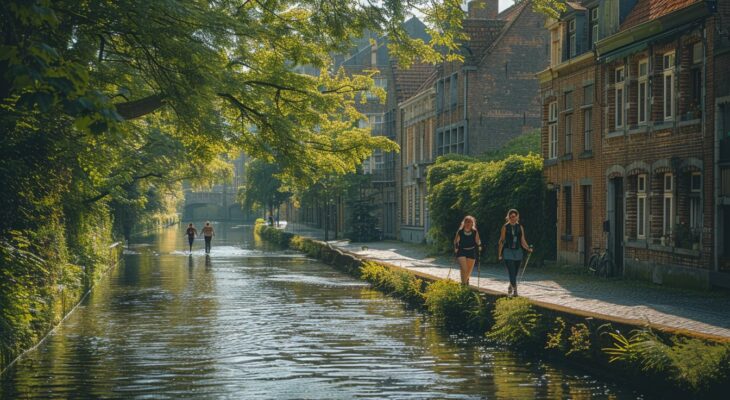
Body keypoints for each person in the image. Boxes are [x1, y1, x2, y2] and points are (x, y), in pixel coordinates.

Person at [498, 209, 533, 296]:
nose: (512, 218)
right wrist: (499, 253)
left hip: (518, 252)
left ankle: (511, 284)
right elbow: (502, 241)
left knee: (515, 272)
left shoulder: (520, 227)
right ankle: (515, 291)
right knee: (511, 271)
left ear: (517, 217)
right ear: (508, 217)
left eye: (514, 216)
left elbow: (522, 240)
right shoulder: (505, 227)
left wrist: (528, 248)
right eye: (510, 217)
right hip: (508, 251)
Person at [453, 215, 482, 285]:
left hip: (471, 251)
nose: (468, 224)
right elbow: (456, 241)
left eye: (470, 222)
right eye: (467, 222)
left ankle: (464, 283)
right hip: (461, 251)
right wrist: (456, 247)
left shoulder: (474, 231)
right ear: (464, 223)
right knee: (464, 269)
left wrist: (480, 245)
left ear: (472, 223)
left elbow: (477, 241)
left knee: (468, 271)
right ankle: (464, 285)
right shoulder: (460, 231)